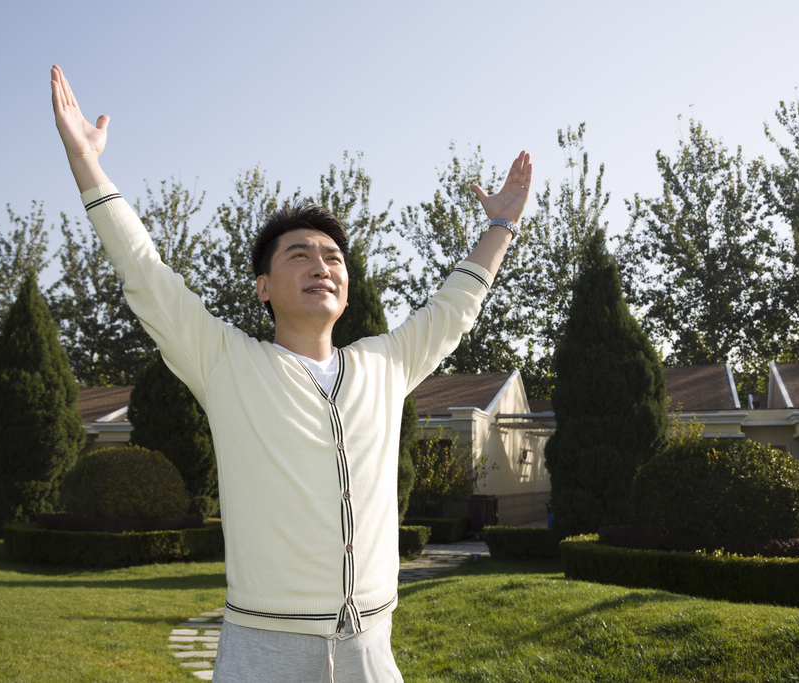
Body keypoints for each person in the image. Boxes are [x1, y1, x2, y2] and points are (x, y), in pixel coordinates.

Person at [51, 64, 531, 683]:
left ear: (348, 288)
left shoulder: (385, 363)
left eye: (333, 257)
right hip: (264, 652)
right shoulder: (226, 362)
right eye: (298, 254)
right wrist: (88, 164)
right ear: (263, 288)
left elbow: (454, 307)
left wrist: (501, 226)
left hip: (371, 651)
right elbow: (145, 273)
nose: (320, 265)